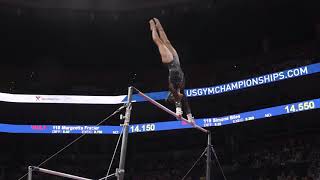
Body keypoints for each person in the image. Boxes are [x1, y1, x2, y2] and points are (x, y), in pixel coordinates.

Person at [149, 18, 194, 123]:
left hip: (169, 62)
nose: (179, 97)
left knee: (159, 42)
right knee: (167, 41)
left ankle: (152, 27)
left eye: (175, 98)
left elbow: (178, 99)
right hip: (176, 60)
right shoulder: (181, 89)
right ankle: (159, 25)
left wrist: (178, 111)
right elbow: (185, 102)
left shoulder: (172, 86)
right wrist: (190, 117)